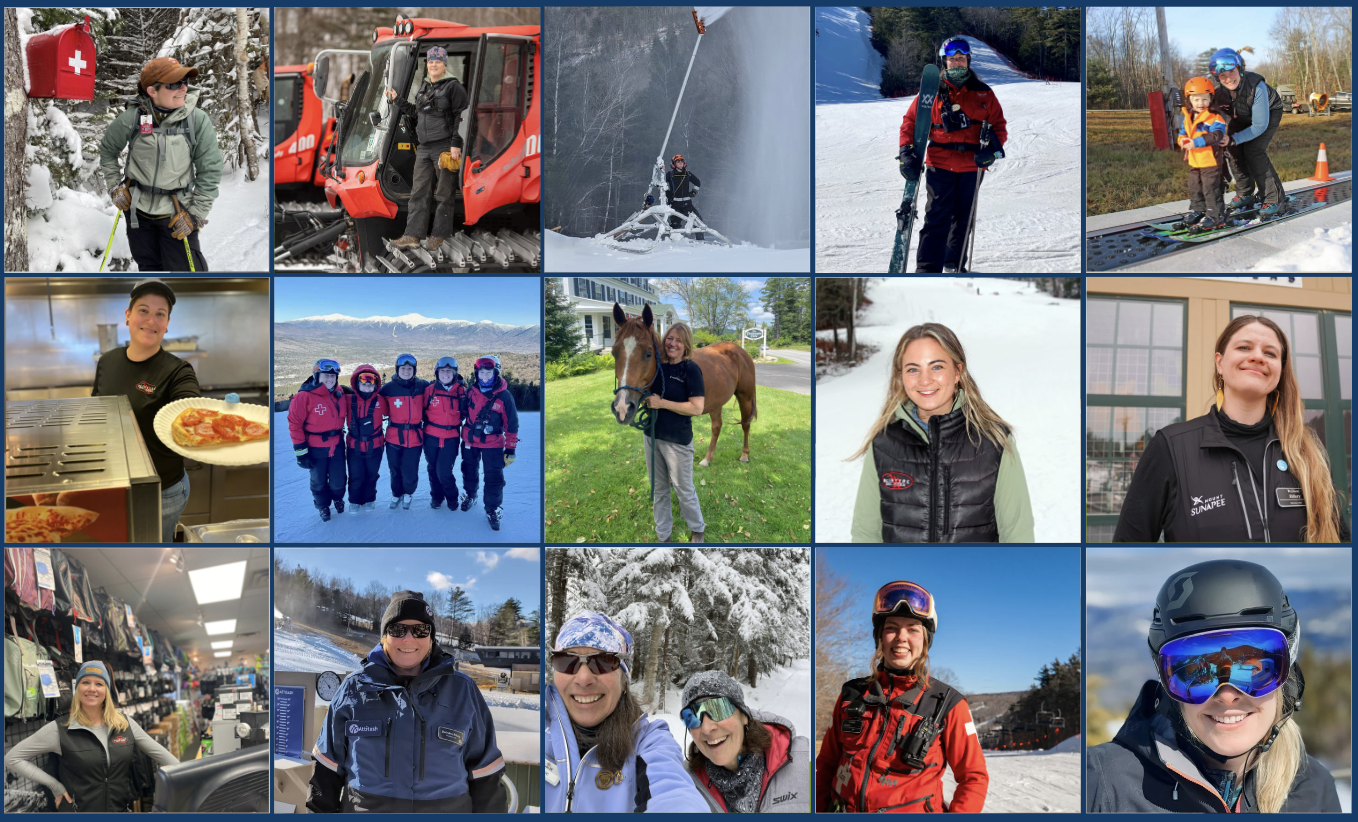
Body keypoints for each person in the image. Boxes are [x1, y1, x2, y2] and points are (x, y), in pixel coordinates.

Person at [1087, 559, 1341, 812]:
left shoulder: (1312, 788)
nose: (1228, 695)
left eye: (1251, 669)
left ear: (1286, 675)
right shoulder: (1102, 784)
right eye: (1198, 672)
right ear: (1168, 687)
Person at [1114, 315, 1349, 543]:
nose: (1258, 357)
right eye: (1244, 348)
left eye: (1270, 353)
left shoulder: (1306, 453)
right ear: (1220, 363)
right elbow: (1125, 550)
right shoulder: (1171, 448)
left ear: (1280, 371)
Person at [308, 591, 506, 812]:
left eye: (420, 630)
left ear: (431, 638)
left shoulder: (463, 691)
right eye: (398, 629)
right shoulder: (353, 689)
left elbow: (486, 775)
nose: (409, 638)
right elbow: (326, 773)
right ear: (384, 636)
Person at [848, 322, 1034, 542]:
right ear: (901, 377)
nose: (925, 380)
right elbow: (865, 535)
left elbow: (1018, 536)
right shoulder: (883, 444)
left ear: (957, 372)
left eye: (936, 367)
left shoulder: (994, 441)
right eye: (913, 369)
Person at [815, 581, 988, 812]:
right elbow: (826, 764)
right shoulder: (852, 693)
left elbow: (974, 777)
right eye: (891, 627)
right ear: (879, 636)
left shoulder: (948, 703)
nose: (901, 637)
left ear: (925, 639)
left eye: (913, 629)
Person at [543, 612, 710, 813]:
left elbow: (673, 792)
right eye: (567, 661)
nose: (583, 678)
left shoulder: (647, 742)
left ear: (624, 681)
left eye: (603, 662)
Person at [92, 279, 200, 542]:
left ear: (166, 324)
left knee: (151, 546)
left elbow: (190, 411)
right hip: (114, 482)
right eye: (143, 310)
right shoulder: (108, 361)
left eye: (160, 314)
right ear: (128, 316)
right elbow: (96, 409)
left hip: (161, 491)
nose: (151, 320)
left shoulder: (178, 370)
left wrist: (191, 416)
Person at [4, 661, 179, 812]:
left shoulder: (125, 724)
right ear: (77, 687)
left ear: (107, 690)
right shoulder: (61, 728)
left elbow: (170, 761)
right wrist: (55, 786)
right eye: (85, 682)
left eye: (99, 684)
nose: (92, 689)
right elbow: (13, 758)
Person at [99, 57, 222, 272]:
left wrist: (195, 215)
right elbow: (108, 150)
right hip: (137, 213)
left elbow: (210, 170)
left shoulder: (196, 120)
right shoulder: (132, 118)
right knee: (149, 271)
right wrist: (113, 187)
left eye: (184, 81)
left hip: (178, 214)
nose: (183, 88)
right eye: (174, 84)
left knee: (190, 277)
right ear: (152, 91)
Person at [898, 38, 1007, 273]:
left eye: (961, 58)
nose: (956, 62)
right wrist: (905, 150)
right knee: (936, 217)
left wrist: (991, 153)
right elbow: (910, 122)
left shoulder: (984, 94)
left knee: (963, 219)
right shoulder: (931, 93)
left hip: (971, 166)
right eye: (951, 58)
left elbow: (999, 128)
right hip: (939, 164)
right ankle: (927, 269)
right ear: (944, 62)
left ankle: (954, 264)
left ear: (968, 61)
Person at [680, 670, 809, 813]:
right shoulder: (683, 784)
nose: (706, 728)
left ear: (744, 716)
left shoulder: (803, 761)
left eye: (718, 708)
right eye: (691, 716)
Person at [387, 46, 470, 251]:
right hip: (424, 148)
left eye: (437, 61)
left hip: (445, 147)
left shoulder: (453, 87)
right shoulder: (425, 88)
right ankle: (413, 235)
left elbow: (463, 116)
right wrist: (397, 100)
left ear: (444, 64)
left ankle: (439, 236)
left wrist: (456, 143)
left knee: (444, 193)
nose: (433, 64)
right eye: (431, 61)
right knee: (418, 192)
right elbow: (417, 112)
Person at [640, 322, 707, 543]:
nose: (673, 343)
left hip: (677, 441)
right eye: (670, 338)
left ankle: (697, 528)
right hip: (651, 436)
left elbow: (697, 408)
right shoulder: (658, 366)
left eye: (679, 340)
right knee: (659, 489)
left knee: (683, 489)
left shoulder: (690, 369)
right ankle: (663, 535)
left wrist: (662, 403)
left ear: (686, 345)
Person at [1210, 48, 1287, 218]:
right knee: (1232, 149)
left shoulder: (1255, 86)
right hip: (1242, 116)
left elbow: (1259, 126)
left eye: (1231, 72)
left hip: (1269, 113)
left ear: (1240, 69)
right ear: (1217, 77)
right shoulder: (1219, 93)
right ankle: (1245, 193)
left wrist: (1235, 138)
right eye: (1223, 76)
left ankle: (1275, 199)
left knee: (1253, 151)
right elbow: (1216, 119)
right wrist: (1218, 137)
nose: (1228, 79)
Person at [459, 356, 519, 531]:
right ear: (477, 374)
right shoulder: (470, 392)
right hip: (470, 440)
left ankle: (492, 508)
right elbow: (460, 411)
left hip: (492, 442)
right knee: (468, 470)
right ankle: (471, 494)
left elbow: (512, 423)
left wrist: (510, 447)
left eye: (489, 372)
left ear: (496, 373)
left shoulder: (504, 397)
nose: (485, 376)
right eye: (481, 373)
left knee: (493, 477)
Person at [288, 359, 347, 522]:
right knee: (318, 481)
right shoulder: (304, 397)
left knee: (338, 479)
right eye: (326, 376)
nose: (330, 379)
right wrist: (301, 452)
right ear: (317, 376)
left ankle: (338, 498)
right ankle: (322, 506)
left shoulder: (340, 394)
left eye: (333, 376)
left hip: (337, 445)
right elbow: (295, 424)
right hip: (315, 447)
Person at [1171, 77, 1231, 234]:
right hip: (1194, 160)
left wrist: (1196, 142)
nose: (1200, 103)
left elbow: (1216, 135)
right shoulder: (1188, 116)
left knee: (1210, 188)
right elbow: (1183, 133)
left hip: (1210, 160)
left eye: (1204, 99)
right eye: (1196, 99)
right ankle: (1198, 210)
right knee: (1194, 186)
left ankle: (1215, 214)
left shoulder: (1215, 117)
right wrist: (1182, 140)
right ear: (1189, 100)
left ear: (1211, 98)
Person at [380, 353, 429, 509]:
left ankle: (408, 492)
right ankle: (396, 493)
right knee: (394, 469)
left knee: (410, 470)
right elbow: (371, 400)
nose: (406, 371)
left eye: (410, 368)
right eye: (403, 368)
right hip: (394, 436)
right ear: (397, 369)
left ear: (414, 370)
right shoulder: (388, 388)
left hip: (414, 436)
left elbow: (440, 389)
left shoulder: (423, 386)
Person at [422, 356, 466, 510]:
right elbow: (417, 410)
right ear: (437, 373)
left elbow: (472, 412)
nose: (446, 374)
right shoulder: (429, 391)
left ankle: (452, 497)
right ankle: (437, 497)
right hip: (431, 436)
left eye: (449, 371)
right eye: (442, 371)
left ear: (454, 373)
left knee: (444, 472)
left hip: (450, 438)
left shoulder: (462, 392)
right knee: (432, 469)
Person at [345, 364, 386, 511]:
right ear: (356, 382)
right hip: (354, 445)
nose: (367, 384)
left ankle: (369, 499)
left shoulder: (381, 400)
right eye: (363, 380)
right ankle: (354, 501)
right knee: (355, 475)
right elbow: (329, 396)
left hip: (375, 445)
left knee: (372, 475)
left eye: (372, 380)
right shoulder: (347, 399)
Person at [665, 154, 705, 238]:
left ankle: (701, 242)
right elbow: (661, 183)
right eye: (678, 161)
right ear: (674, 164)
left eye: (681, 161)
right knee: (675, 226)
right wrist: (667, 192)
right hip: (675, 205)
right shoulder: (670, 175)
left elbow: (698, 183)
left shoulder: (688, 174)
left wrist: (693, 192)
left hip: (687, 205)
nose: (680, 163)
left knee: (698, 221)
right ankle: (674, 244)